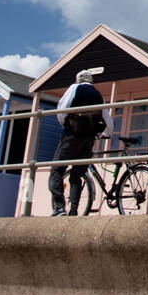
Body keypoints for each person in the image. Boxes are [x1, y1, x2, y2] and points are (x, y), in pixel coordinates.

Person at [50, 69, 112, 216]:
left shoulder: (74, 88)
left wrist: (65, 126)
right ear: (91, 81)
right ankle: (73, 211)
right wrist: (106, 134)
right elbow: (106, 117)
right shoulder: (98, 94)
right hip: (89, 138)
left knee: (56, 170)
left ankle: (59, 207)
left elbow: (62, 109)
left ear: (78, 79)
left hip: (72, 135)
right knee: (77, 175)